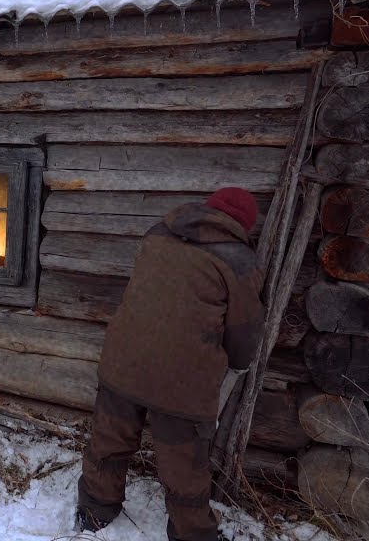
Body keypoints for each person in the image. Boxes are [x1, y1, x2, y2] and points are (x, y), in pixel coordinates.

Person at [76, 187, 266, 541]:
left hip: (124, 360)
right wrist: (237, 363)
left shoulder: (160, 231)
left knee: (109, 441)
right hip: (183, 381)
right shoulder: (241, 261)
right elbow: (244, 331)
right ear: (243, 225)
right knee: (184, 467)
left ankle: (94, 511)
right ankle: (192, 535)